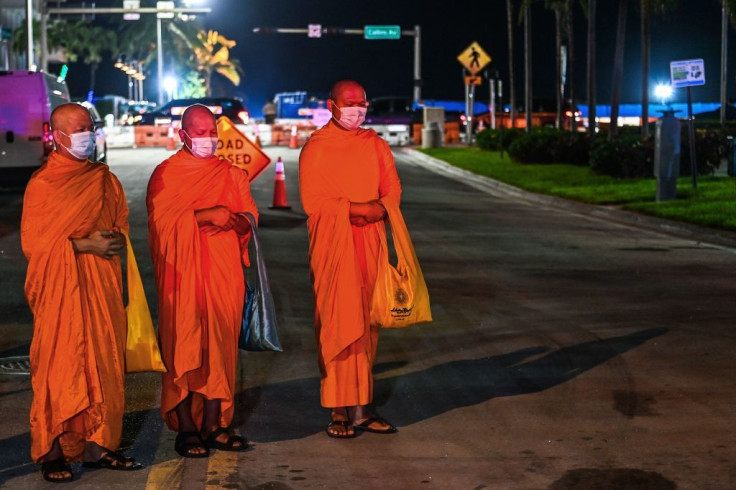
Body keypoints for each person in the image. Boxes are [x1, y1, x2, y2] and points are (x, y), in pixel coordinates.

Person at [21, 103, 143, 482]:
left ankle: (99, 445)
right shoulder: (43, 185)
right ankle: (53, 450)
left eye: (90, 128)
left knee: (104, 364)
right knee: (59, 368)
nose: (87, 136)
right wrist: (83, 245)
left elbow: (119, 220)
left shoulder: (103, 178)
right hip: (60, 290)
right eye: (78, 130)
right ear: (57, 137)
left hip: (100, 287)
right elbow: (34, 246)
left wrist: (112, 239)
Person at [147, 104, 258, 458]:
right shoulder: (166, 174)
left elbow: (250, 219)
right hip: (181, 274)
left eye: (213, 132)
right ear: (183, 136)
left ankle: (213, 425)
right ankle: (187, 428)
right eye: (200, 133)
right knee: (182, 345)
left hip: (224, 271)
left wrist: (236, 221)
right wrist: (206, 215)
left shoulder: (232, 174)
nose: (209, 139)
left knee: (220, 347)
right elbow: (161, 226)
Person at [299, 80, 402, 438]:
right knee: (336, 324)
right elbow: (314, 202)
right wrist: (359, 209)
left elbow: (392, 192)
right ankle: (338, 411)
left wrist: (380, 210)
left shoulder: (375, 146)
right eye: (350, 103)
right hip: (332, 246)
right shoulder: (317, 148)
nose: (357, 109)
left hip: (369, 243)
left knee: (366, 327)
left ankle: (362, 409)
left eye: (362, 102)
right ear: (331, 105)